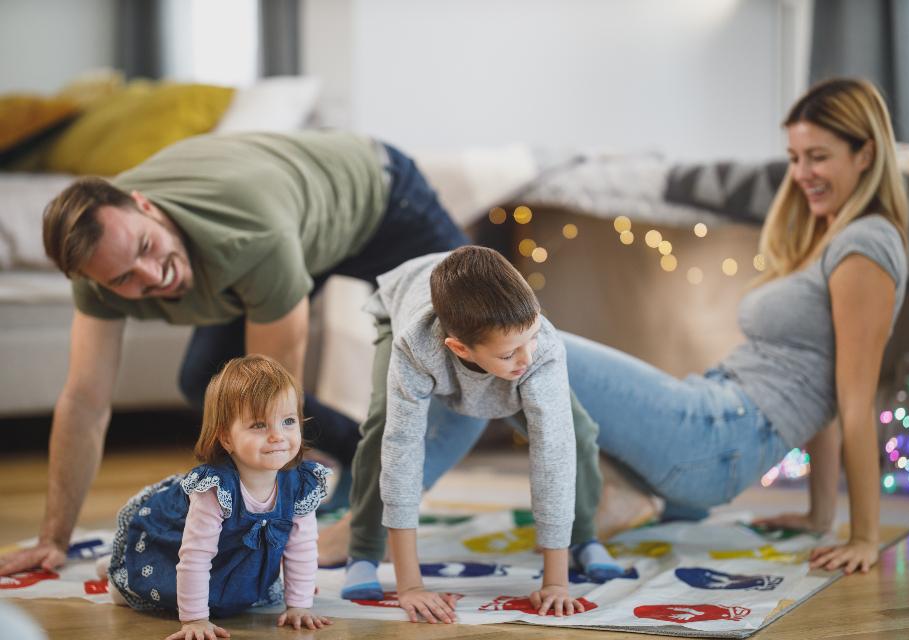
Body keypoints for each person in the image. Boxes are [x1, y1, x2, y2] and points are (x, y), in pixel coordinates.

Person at [0, 130, 479, 579]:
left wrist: (264, 536)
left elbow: (273, 406)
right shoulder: (100, 266)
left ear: (146, 206)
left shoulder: (246, 235)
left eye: (147, 247)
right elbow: (84, 403)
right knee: (208, 382)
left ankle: (366, 525)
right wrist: (53, 537)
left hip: (379, 197)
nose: (151, 277)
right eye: (124, 279)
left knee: (475, 341)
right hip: (288, 220)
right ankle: (360, 453)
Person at [561, 76, 909, 574]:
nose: (801, 173)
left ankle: (409, 502)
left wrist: (864, 537)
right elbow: (826, 389)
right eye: (794, 157)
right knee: (512, 362)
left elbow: (854, 401)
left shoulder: (866, 247)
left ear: (866, 154)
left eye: (818, 156)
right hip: (711, 414)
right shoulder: (834, 233)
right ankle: (632, 493)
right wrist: (818, 514)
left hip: (717, 434)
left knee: (531, 346)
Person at [342, 246, 622, 622]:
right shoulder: (415, 346)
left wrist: (555, 582)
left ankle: (584, 537)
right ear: (460, 349)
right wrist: (409, 585)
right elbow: (402, 449)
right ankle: (363, 551)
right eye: (509, 355)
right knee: (381, 428)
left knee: (578, 430)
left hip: (484, 321)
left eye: (532, 337)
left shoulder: (539, 351)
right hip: (403, 307)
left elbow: (553, 449)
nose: (525, 358)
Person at [99, 354, 332, 639]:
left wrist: (299, 605)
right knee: (140, 588)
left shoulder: (300, 485)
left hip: (237, 563)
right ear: (227, 439)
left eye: (288, 421)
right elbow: (195, 557)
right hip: (177, 546)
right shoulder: (214, 489)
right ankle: (117, 568)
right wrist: (195, 619)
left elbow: (302, 548)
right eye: (259, 425)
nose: (277, 436)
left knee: (248, 592)